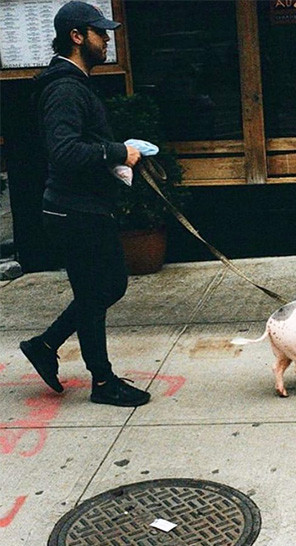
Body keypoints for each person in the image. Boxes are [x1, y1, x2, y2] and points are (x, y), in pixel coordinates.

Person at [20, 1, 150, 407]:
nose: (107, 40)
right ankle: (100, 380)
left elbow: (78, 144)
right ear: (77, 36)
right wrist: (118, 152)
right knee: (103, 287)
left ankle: (50, 348)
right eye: (100, 33)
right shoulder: (64, 87)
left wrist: (116, 154)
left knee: (98, 289)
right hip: (74, 210)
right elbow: (63, 151)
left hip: (80, 207)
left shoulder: (72, 83)